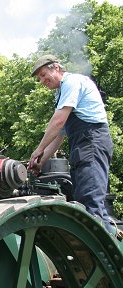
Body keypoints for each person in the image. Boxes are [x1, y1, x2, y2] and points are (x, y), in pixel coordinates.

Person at [28, 54, 114, 233]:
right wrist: (41, 161)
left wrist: (39, 149)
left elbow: (58, 121)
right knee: (81, 201)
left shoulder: (72, 82)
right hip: (82, 145)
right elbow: (60, 135)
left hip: (91, 140)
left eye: (44, 74)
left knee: (90, 201)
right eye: (40, 78)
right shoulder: (60, 94)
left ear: (57, 68)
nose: (43, 80)